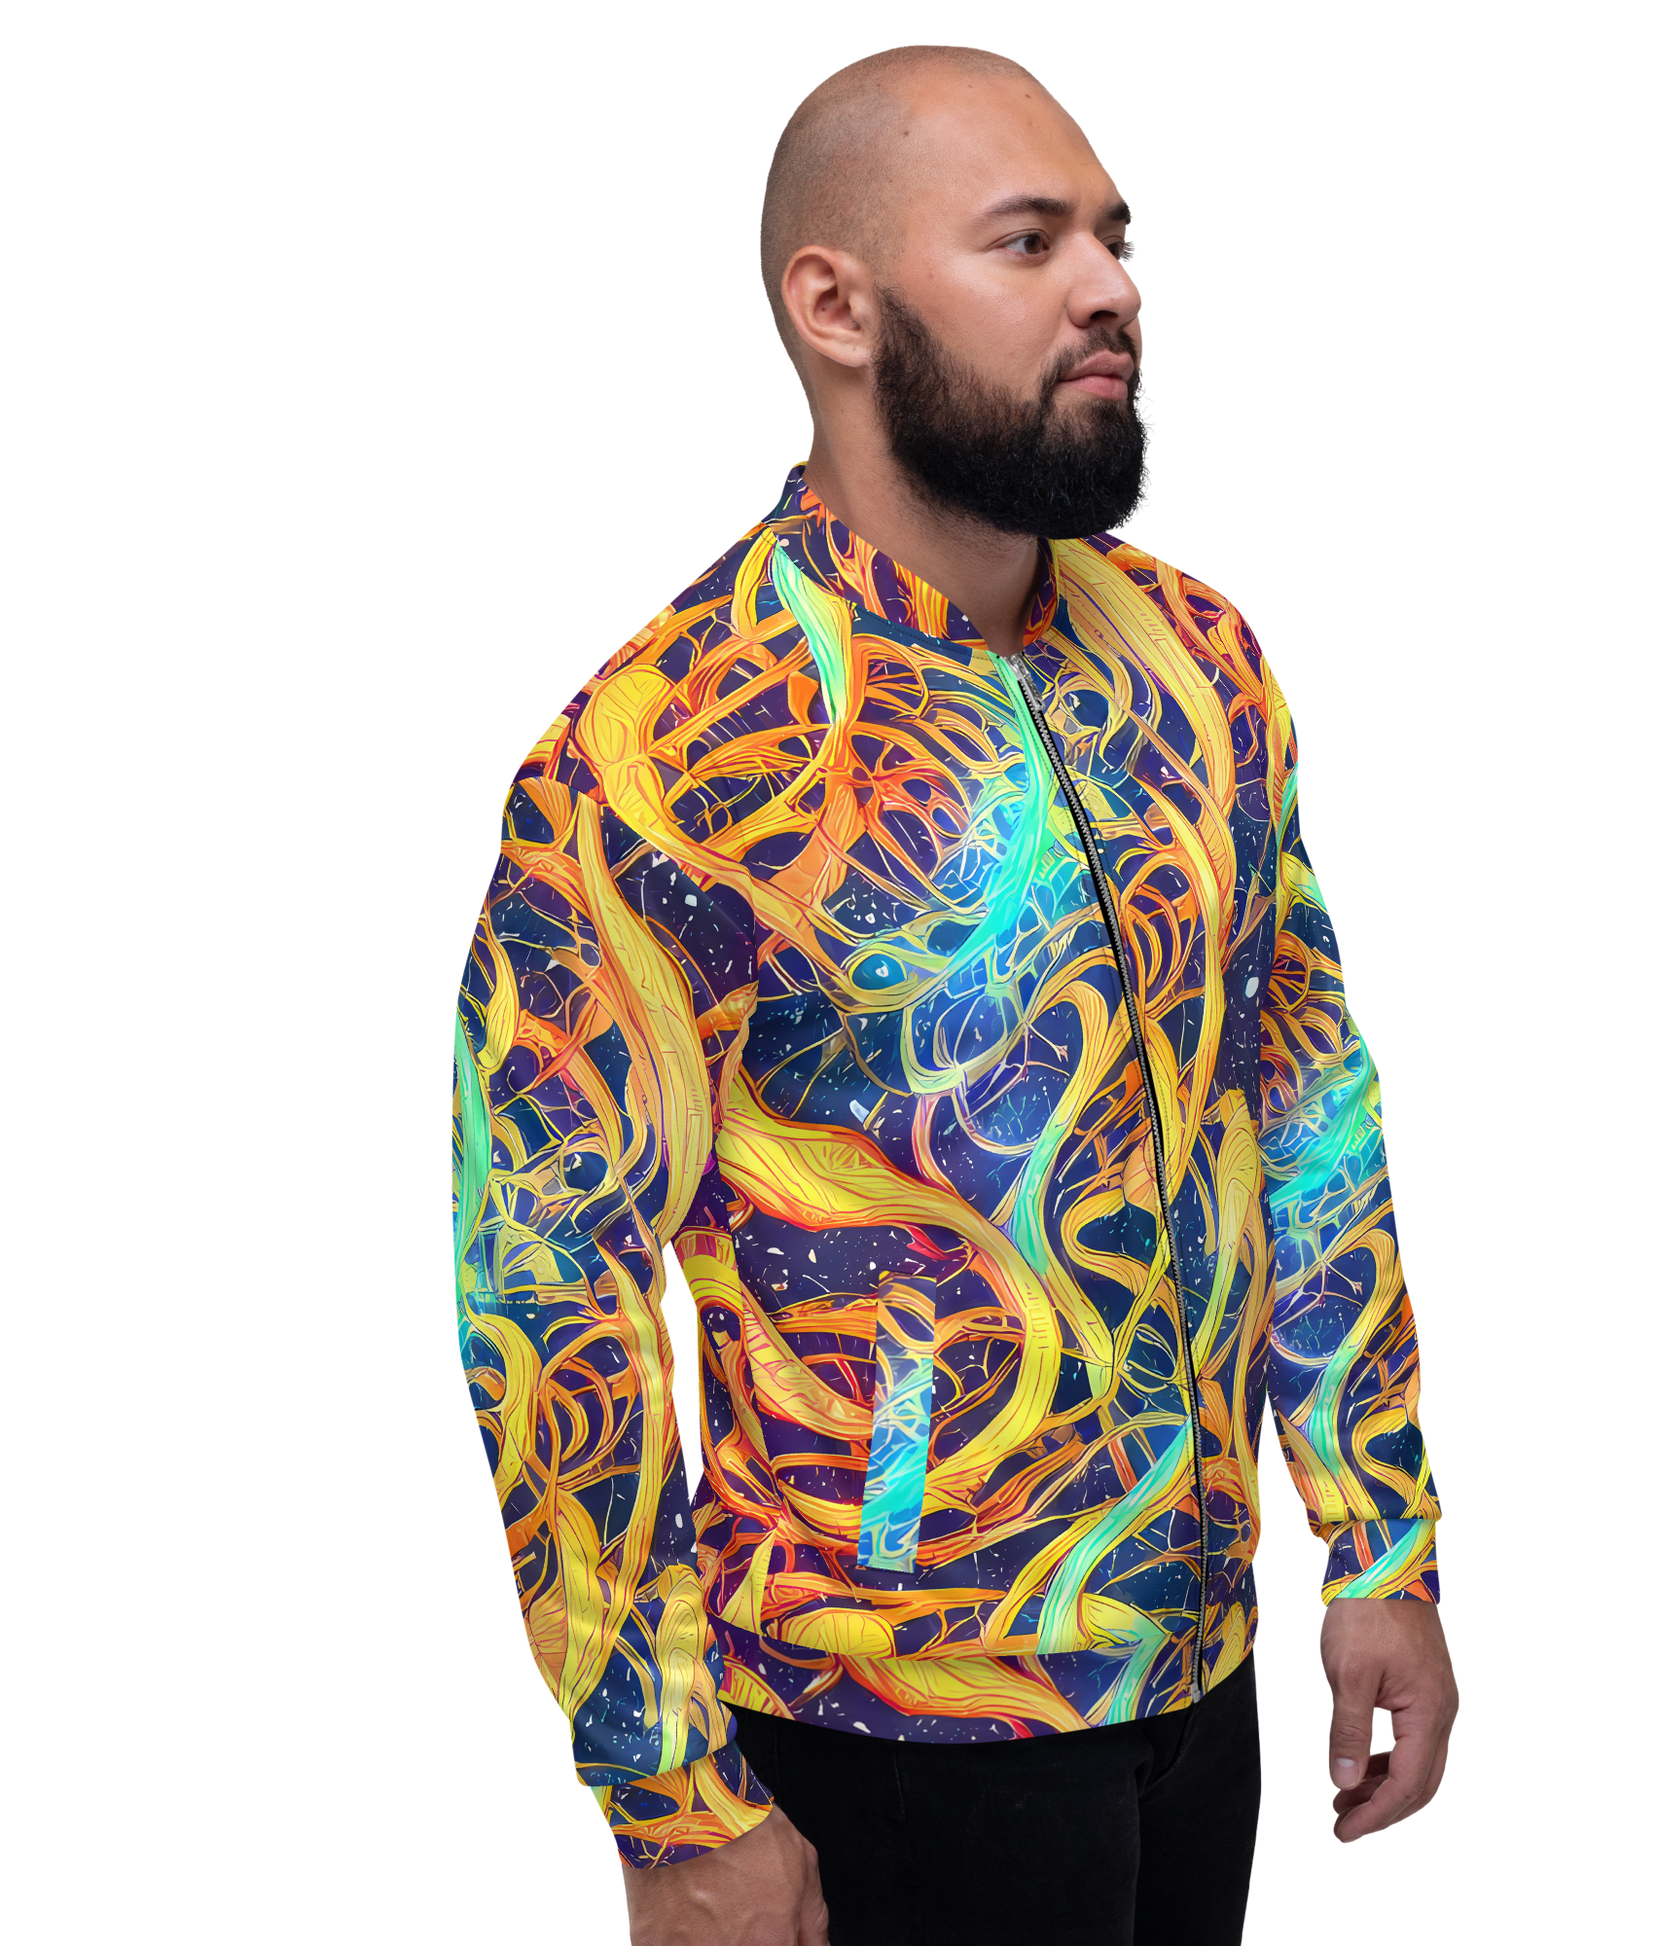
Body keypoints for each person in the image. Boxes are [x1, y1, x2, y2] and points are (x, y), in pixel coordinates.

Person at [447, 41, 1461, 1946]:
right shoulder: (661, 754)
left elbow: (1306, 1098)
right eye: (1026, 241)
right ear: (834, 307)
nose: (1109, 290)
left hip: (1206, 1674)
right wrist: (668, 1797)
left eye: (1115, 239)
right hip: (882, 1726)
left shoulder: (1199, 658)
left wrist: (1375, 1541)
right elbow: (548, 1285)